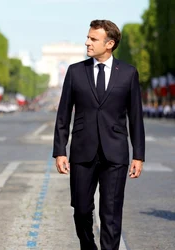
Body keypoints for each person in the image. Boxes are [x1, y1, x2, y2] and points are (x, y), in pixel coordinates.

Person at [52, 20, 145, 250]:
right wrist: (60, 151)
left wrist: (138, 155)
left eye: (93, 39)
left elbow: (136, 117)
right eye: (88, 37)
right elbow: (63, 115)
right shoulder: (75, 71)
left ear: (110, 43)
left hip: (116, 153)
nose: (87, 42)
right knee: (82, 209)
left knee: (111, 212)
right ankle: (88, 246)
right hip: (82, 152)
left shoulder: (128, 73)